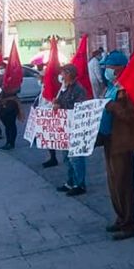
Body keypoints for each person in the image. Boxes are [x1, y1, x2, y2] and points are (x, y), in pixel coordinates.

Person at [99, 50, 134, 240]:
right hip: (109, 139)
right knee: (113, 182)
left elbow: (132, 115)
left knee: (124, 183)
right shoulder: (112, 86)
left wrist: (113, 107)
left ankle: (130, 223)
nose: (106, 71)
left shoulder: (130, 87)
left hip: (123, 141)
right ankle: (121, 217)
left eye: (109, 67)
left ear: (119, 68)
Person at [54, 64, 87, 196]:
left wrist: (62, 105)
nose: (61, 76)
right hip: (65, 128)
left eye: (63, 74)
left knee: (76, 158)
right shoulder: (64, 89)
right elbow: (61, 102)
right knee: (67, 157)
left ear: (69, 74)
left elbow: (80, 108)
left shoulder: (79, 90)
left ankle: (80, 184)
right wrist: (56, 102)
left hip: (76, 128)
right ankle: (70, 181)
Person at [33, 75, 58, 168]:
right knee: (47, 138)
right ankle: (52, 157)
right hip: (43, 115)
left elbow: (49, 103)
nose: (38, 80)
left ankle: (53, 158)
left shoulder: (49, 88)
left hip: (47, 115)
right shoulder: (43, 87)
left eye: (40, 78)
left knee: (50, 137)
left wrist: (43, 110)